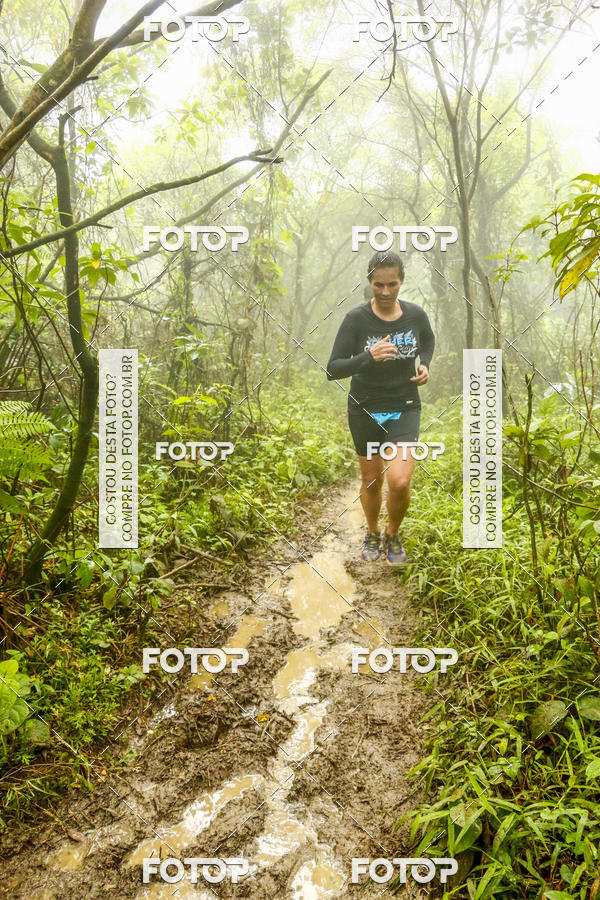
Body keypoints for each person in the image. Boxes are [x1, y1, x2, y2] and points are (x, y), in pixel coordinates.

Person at [326, 250, 434, 564]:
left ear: (401, 282)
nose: (386, 292)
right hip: (364, 408)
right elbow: (333, 368)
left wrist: (424, 364)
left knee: (399, 480)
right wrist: (367, 357)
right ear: (370, 283)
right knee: (372, 480)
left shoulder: (415, 315)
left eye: (392, 284)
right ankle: (372, 532)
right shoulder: (356, 319)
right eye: (378, 285)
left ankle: (392, 532)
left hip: (404, 406)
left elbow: (427, 340)